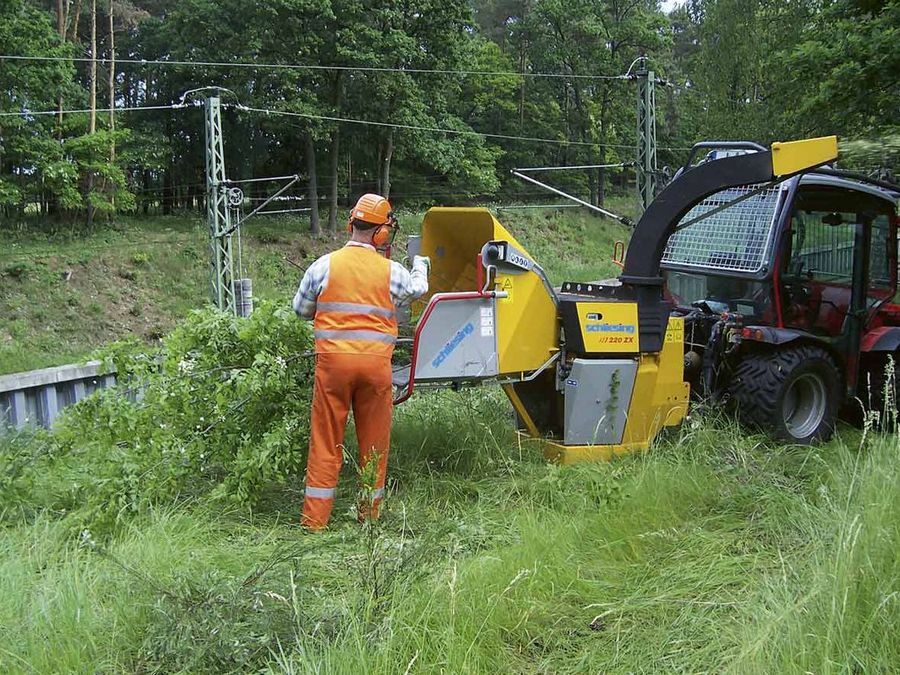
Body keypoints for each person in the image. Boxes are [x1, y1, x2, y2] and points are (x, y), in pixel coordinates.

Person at [292, 193, 430, 530]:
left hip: (333, 368)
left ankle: (314, 523)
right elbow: (418, 289)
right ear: (382, 234)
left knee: (325, 442)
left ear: (350, 224)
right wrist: (421, 265)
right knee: (374, 443)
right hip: (374, 368)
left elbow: (300, 311)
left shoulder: (322, 265)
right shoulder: (391, 271)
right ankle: (367, 519)